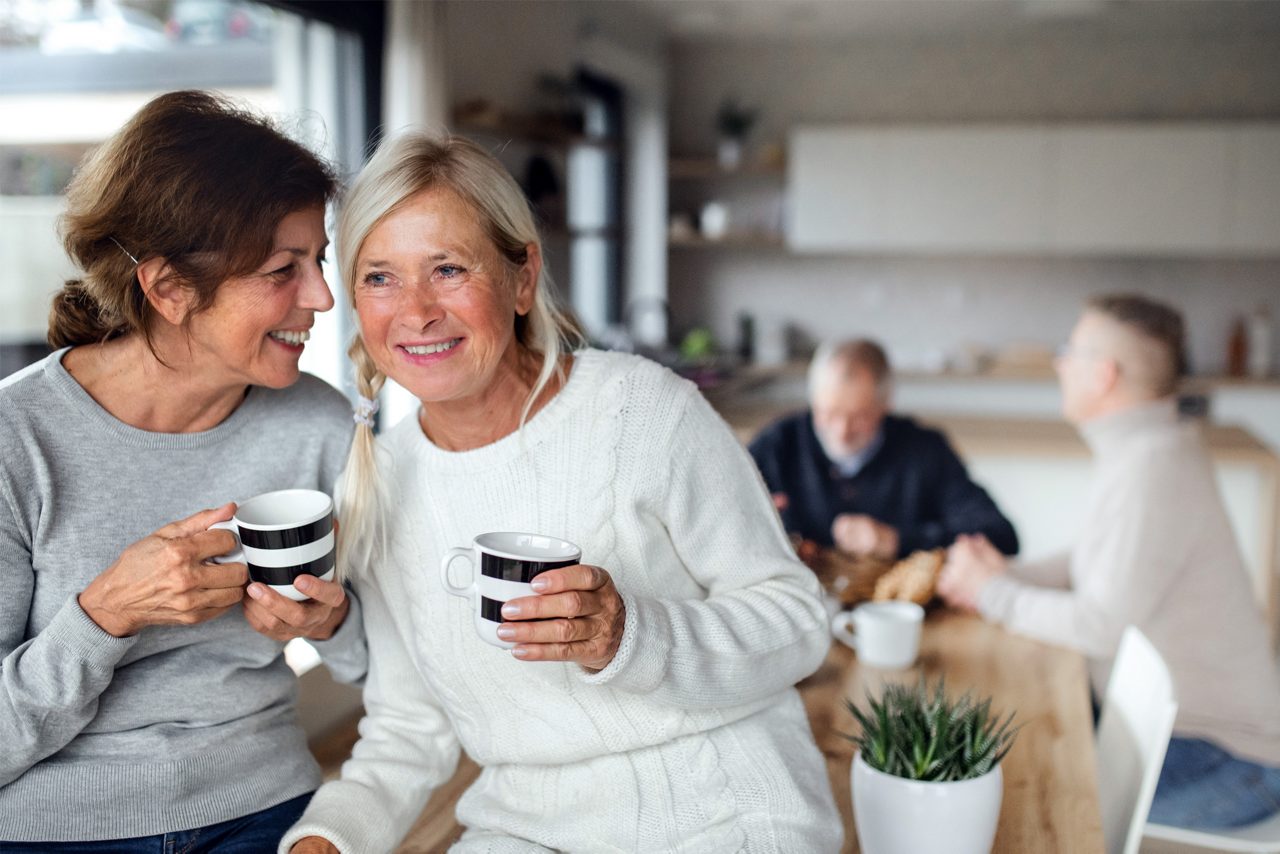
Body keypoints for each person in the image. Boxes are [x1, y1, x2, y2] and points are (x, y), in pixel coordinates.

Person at [281, 133, 840, 853]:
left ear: (521, 278)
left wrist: (629, 636)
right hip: (529, 827)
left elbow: (797, 622)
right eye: (380, 277)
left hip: (722, 806)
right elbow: (409, 728)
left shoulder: (643, 412)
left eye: (448, 269)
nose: (414, 312)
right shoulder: (382, 484)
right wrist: (325, 838)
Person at [0, 90, 367, 850]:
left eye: (319, 260)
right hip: (53, 829)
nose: (324, 298)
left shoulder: (319, 423)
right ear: (168, 289)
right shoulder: (16, 440)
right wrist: (104, 616)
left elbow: (384, 668)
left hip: (266, 809)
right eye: (282, 270)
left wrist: (329, 622)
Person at [937, 294, 1280, 830]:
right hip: (1188, 736)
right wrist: (1001, 577)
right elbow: (1091, 562)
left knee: (1025, 817)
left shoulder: (1153, 465)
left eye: (1069, 350)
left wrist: (990, 592)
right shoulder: (1149, 449)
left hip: (1224, 756)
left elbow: (1098, 625)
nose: (1059, 363)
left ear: (1104, 374)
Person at [748, 338, 1019, 559]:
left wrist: (897, 540)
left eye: (859, 417)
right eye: (828, 414)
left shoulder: (924, 450)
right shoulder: (778, 445)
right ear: (813, 401)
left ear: (885, 405)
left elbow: (1001, 536)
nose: (841, 432)